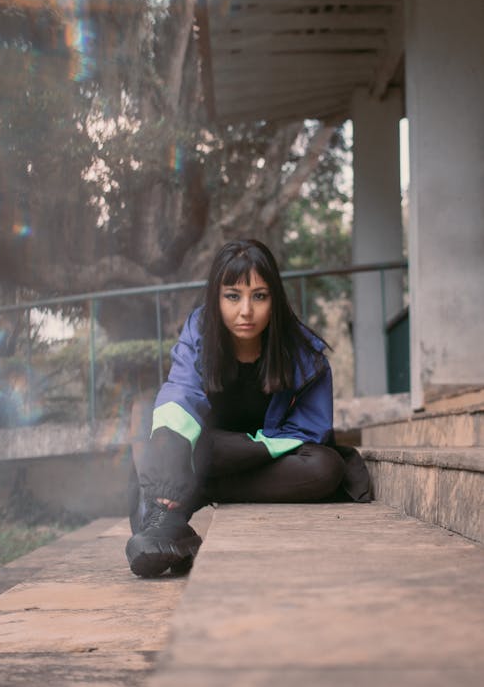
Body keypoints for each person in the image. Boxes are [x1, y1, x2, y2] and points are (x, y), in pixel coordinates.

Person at [126, 239, 370, 578]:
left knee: (325, 468)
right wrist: (171, 462)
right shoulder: (199, 334)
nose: (246, 311)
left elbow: (311, 432)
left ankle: (198, 489)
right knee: (159, 449)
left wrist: (237, 455)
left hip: (256, 455)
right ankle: (169, 513)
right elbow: (179, 396)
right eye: (232, 296)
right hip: (208, 446)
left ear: (275, 300)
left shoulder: (303, 354)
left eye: (259, 295)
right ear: (216, 298)